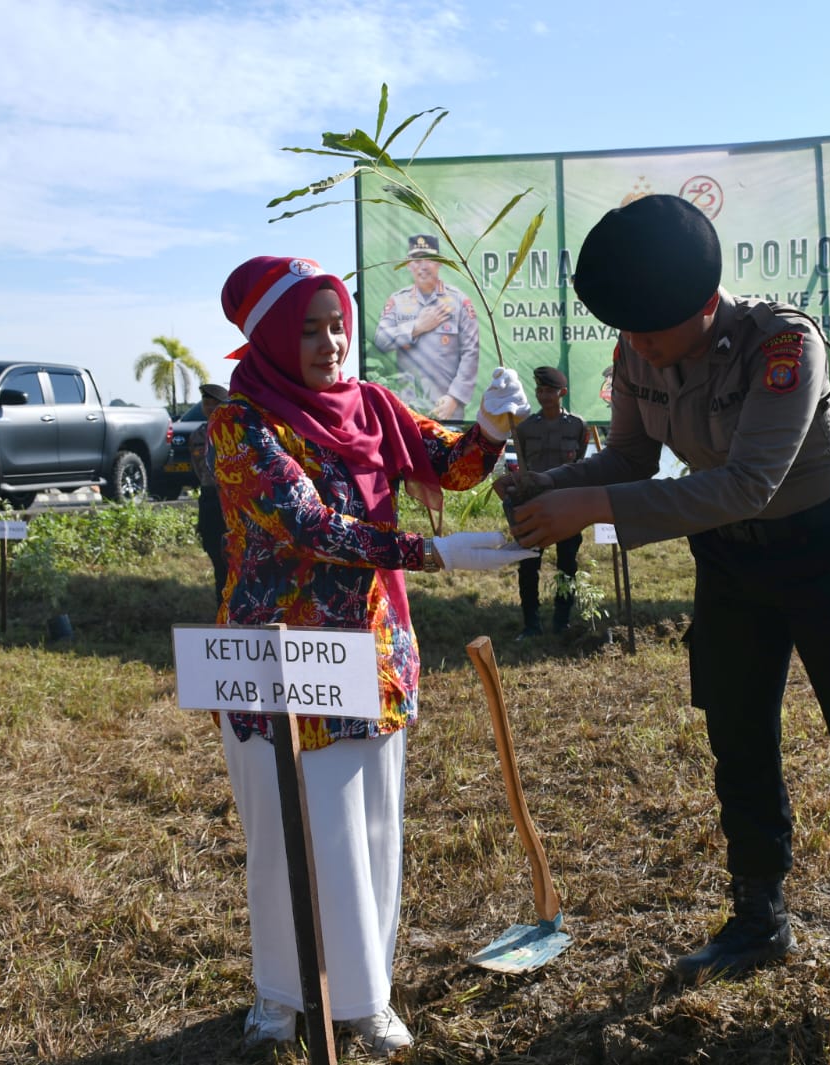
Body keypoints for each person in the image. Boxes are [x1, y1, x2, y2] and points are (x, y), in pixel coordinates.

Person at [495, 195, 830, 1044]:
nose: (639, 350)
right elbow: (636, 455)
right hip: (732, 561)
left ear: (705, 305)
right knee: (738, 733)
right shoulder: (639, 335)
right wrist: (553, 487)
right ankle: (759, 915)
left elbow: (749, 479)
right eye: (629, 336)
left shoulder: (785, 345)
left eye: (652, 335)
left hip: (826, 553)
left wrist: (593, 505)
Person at [208, 255, 531, 1057]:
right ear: (274, 337)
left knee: (370, 827)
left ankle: (364, 995)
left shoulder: (373, 406)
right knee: (287, 833)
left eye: (338, 324)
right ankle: (280, 996)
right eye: (310, 329)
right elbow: (309, 525)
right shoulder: (243, 423)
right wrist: (434, 554)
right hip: (274, 659)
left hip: (373, 652)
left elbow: (446, 461)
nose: (331, 342)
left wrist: (490, 427)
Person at [512, 366, 589, 636]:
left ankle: (561, 621)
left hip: (567, 506)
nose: (544, 396)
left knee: (567, 564)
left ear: (562, 393)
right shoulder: (526, 428)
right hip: (534, 505)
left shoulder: (578, 426)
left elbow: (580, 466)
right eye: (540, 390)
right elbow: (520, 466)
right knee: (528, 564)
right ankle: (531, 624)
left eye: (550, 391)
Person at [372, 234, 481, 421]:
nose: (422, 266)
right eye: (416, 259)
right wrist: (416, 327)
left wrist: (454, 399)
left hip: (446, 408)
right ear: (408, 264)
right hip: (407, 409)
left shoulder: (459, 301)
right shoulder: (397, 301)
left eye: (429, 259)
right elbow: (380, 340)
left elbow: (471, 353)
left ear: (440, 263)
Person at [186, 381, 230, 608]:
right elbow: (198, 468)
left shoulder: (235, 432)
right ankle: (221, 610)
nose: (210, 407)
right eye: (206, 403)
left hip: (232, 501)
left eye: (215, 403)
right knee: (216, 557)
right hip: (210, 500)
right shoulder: (198, 435)